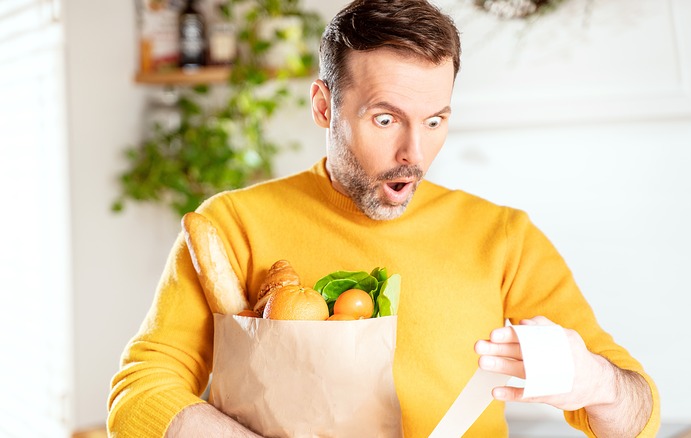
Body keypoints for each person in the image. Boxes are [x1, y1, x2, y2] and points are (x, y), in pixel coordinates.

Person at [108, 0, 660, 436]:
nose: (414, 153)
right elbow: (140, 392)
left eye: (436, 119)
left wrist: (599, 384)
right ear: (325, 106)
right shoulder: (232, 225)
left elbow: (639, 417)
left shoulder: (504, 238)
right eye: (385, 118)